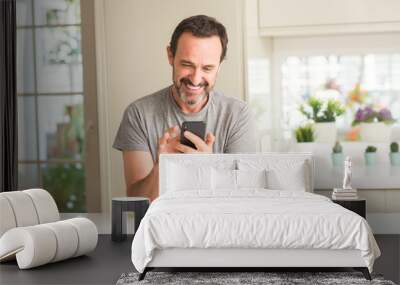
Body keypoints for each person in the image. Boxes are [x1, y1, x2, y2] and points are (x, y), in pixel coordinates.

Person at [113, 15, 258, 201]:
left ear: (219, 66)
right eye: (187, 64)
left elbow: (245, 198)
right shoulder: (139, 115)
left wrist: (211, 167)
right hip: (161, 227)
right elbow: (136, 202)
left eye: (207, 68)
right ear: (170, 56)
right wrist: (161, 167)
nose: (196, 79)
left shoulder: (238, 115)